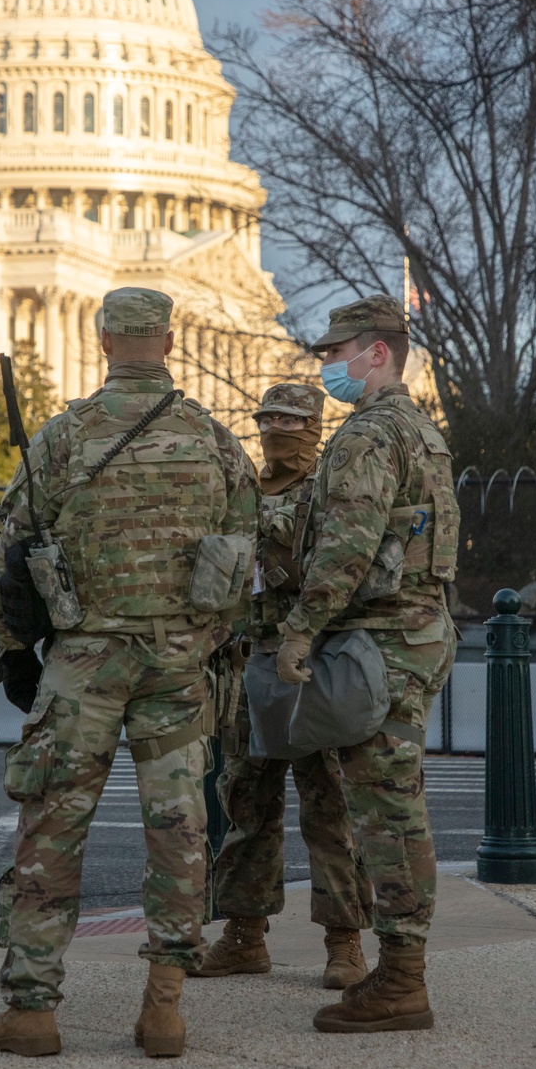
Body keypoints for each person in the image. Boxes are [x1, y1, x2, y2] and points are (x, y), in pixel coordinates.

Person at [0, 287, 258, 1060]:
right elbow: (241, 555)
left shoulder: (63, 436)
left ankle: (32, 1008)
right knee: (179, 829)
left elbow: (17, 554)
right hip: (175, 662)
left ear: (103, 342)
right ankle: (164, 1008)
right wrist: (201, 639)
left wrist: (15, 651)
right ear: (168, 341)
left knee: (53, 824)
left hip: (85, 660)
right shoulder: (214, 438)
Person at [275, 295, 459, 1034]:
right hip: (418, 632)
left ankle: (404, 981)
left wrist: (300, 628)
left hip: (378, 640)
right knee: (396, 802)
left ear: (376, 351)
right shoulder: (422, 430)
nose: (328, 365)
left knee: (386, 813)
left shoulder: (370, 434)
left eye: (337, 350)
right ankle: (397, 970)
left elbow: (346, 546)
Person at [191, 382, 372, 989]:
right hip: (250, 667)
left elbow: (343, 569)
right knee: (246, 804)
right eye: (268, 418)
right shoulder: (239, 492)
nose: (278, 429)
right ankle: (243, 935)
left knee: (329, 809)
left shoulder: (329, 492)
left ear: (315, 426)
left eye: (292, 420)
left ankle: (345, 941)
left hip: (312, 664)